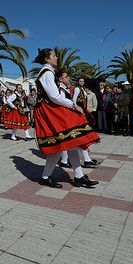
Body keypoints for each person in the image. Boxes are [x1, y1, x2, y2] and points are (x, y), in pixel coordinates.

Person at [32, 49, 100, 188]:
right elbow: (55, 97)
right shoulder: (47, 73)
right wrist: (73, 105)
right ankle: (48, 177)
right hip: (50, 110)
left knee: (69, 142)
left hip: (49, 109)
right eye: (54, 56)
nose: (56, 58)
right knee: (62, 142)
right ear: (46, 59)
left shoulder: (47, 72)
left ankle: (78, 176)